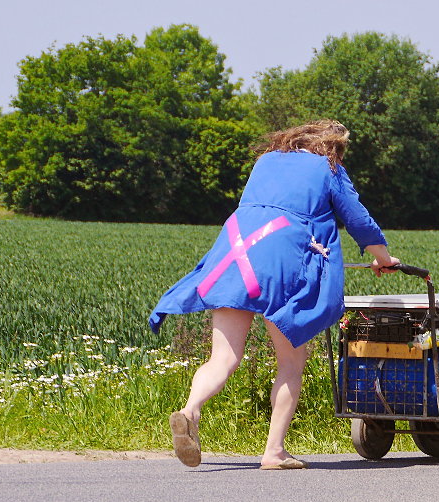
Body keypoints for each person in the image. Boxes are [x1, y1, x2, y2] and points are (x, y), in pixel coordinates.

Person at [148, 119, 400, 470]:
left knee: (223, 358)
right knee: (291, 363)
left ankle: (190, 410)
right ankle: (273, 452)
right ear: (333, 147)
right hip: (283, 260)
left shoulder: (265, 161)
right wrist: (383, 259)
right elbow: (358, 219)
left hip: (234, 254)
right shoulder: (329, 167)